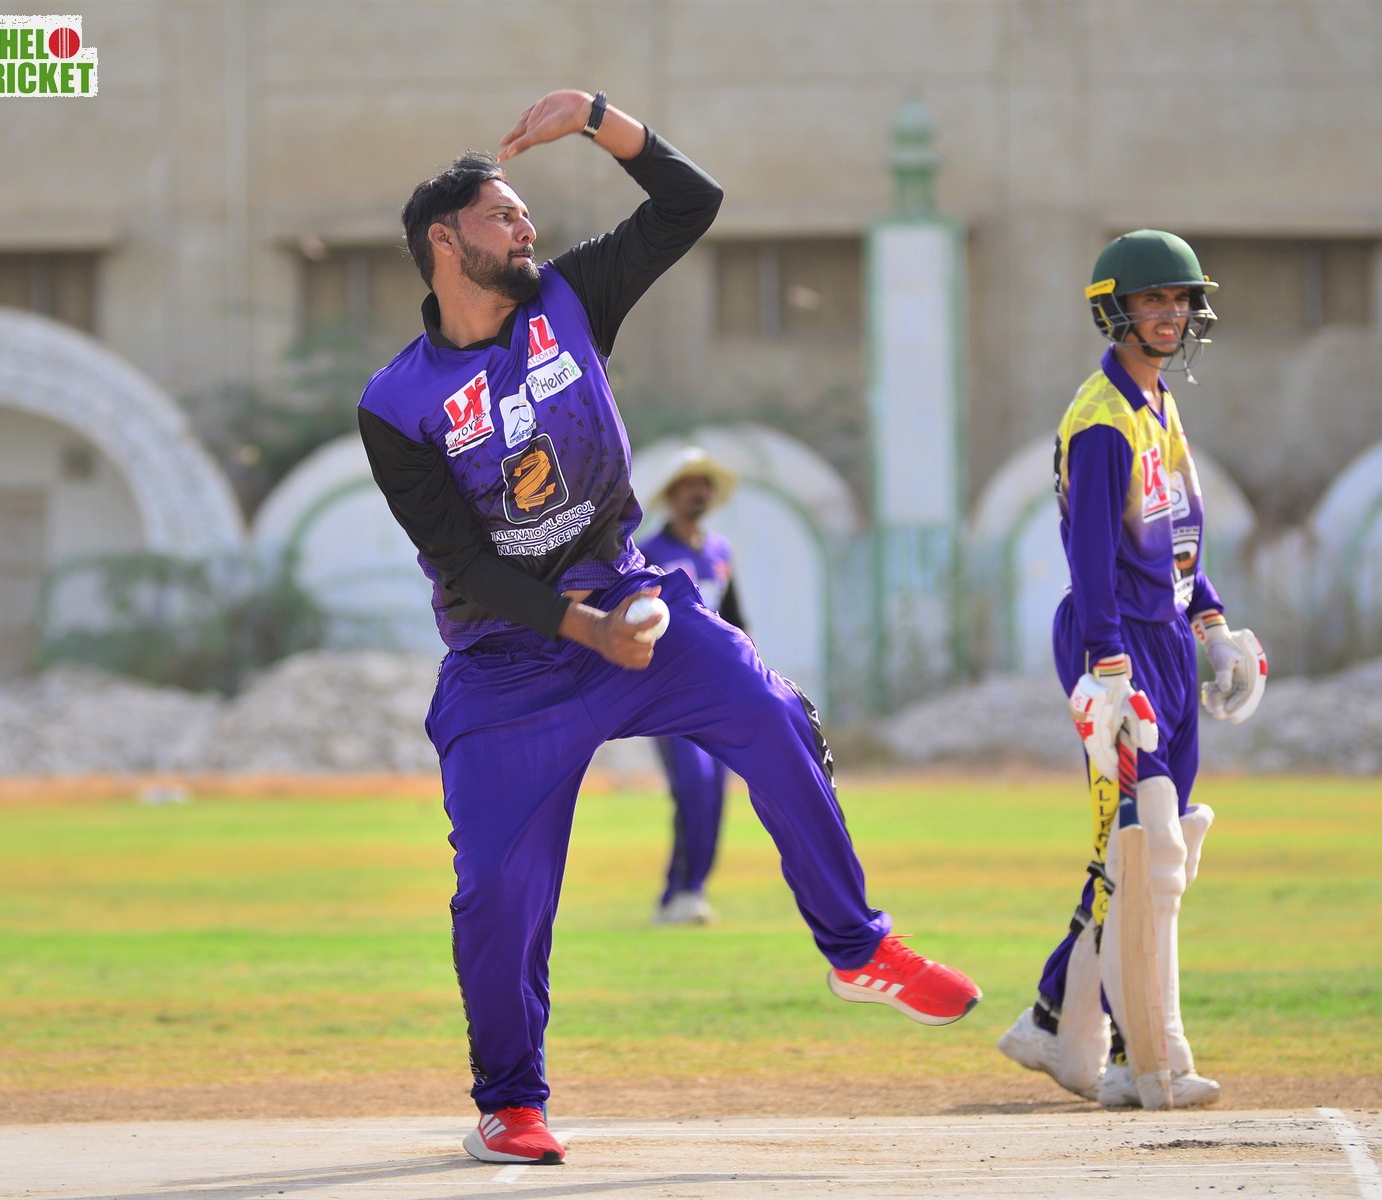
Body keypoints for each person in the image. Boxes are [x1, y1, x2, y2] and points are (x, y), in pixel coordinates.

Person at [356, 89, 981, 1167]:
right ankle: (510, 1104)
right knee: (498, 890)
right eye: (502, 215)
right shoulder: (395, 402)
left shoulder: (567, 300)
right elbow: (461, 564)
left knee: (770, 711)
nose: (526, 225)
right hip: (507, 662)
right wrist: (578, 630)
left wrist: (599, 118)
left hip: (633, 599)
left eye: (523, 212)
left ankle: (855, 948)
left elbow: (691, 203)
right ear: (443, 242)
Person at [995, 230, 1268, 1110]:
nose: (1169, 315)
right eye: (1152, 300)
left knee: (1158, 846)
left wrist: (1213, 625)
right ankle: (1141, 1055)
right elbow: (1089, 555)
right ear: (1114, 311)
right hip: (1111, 640)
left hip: (1164, 638)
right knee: (1139, 849)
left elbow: (1178, 533)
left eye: (1180, 300)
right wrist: (1108, 663)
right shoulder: (1102, 420)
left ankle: (1054, 1020)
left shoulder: (1158, 404)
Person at [637, 446, 747, 925]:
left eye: (704, 484)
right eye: (687, 485)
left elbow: (736, 620)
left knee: (716, 790)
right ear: (671, 496)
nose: (697, 493)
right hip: (669, 693)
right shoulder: (649, 553)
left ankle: (690, 892)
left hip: (718, 693)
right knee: (693, 785)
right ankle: (676, 893)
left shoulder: (721, 552)